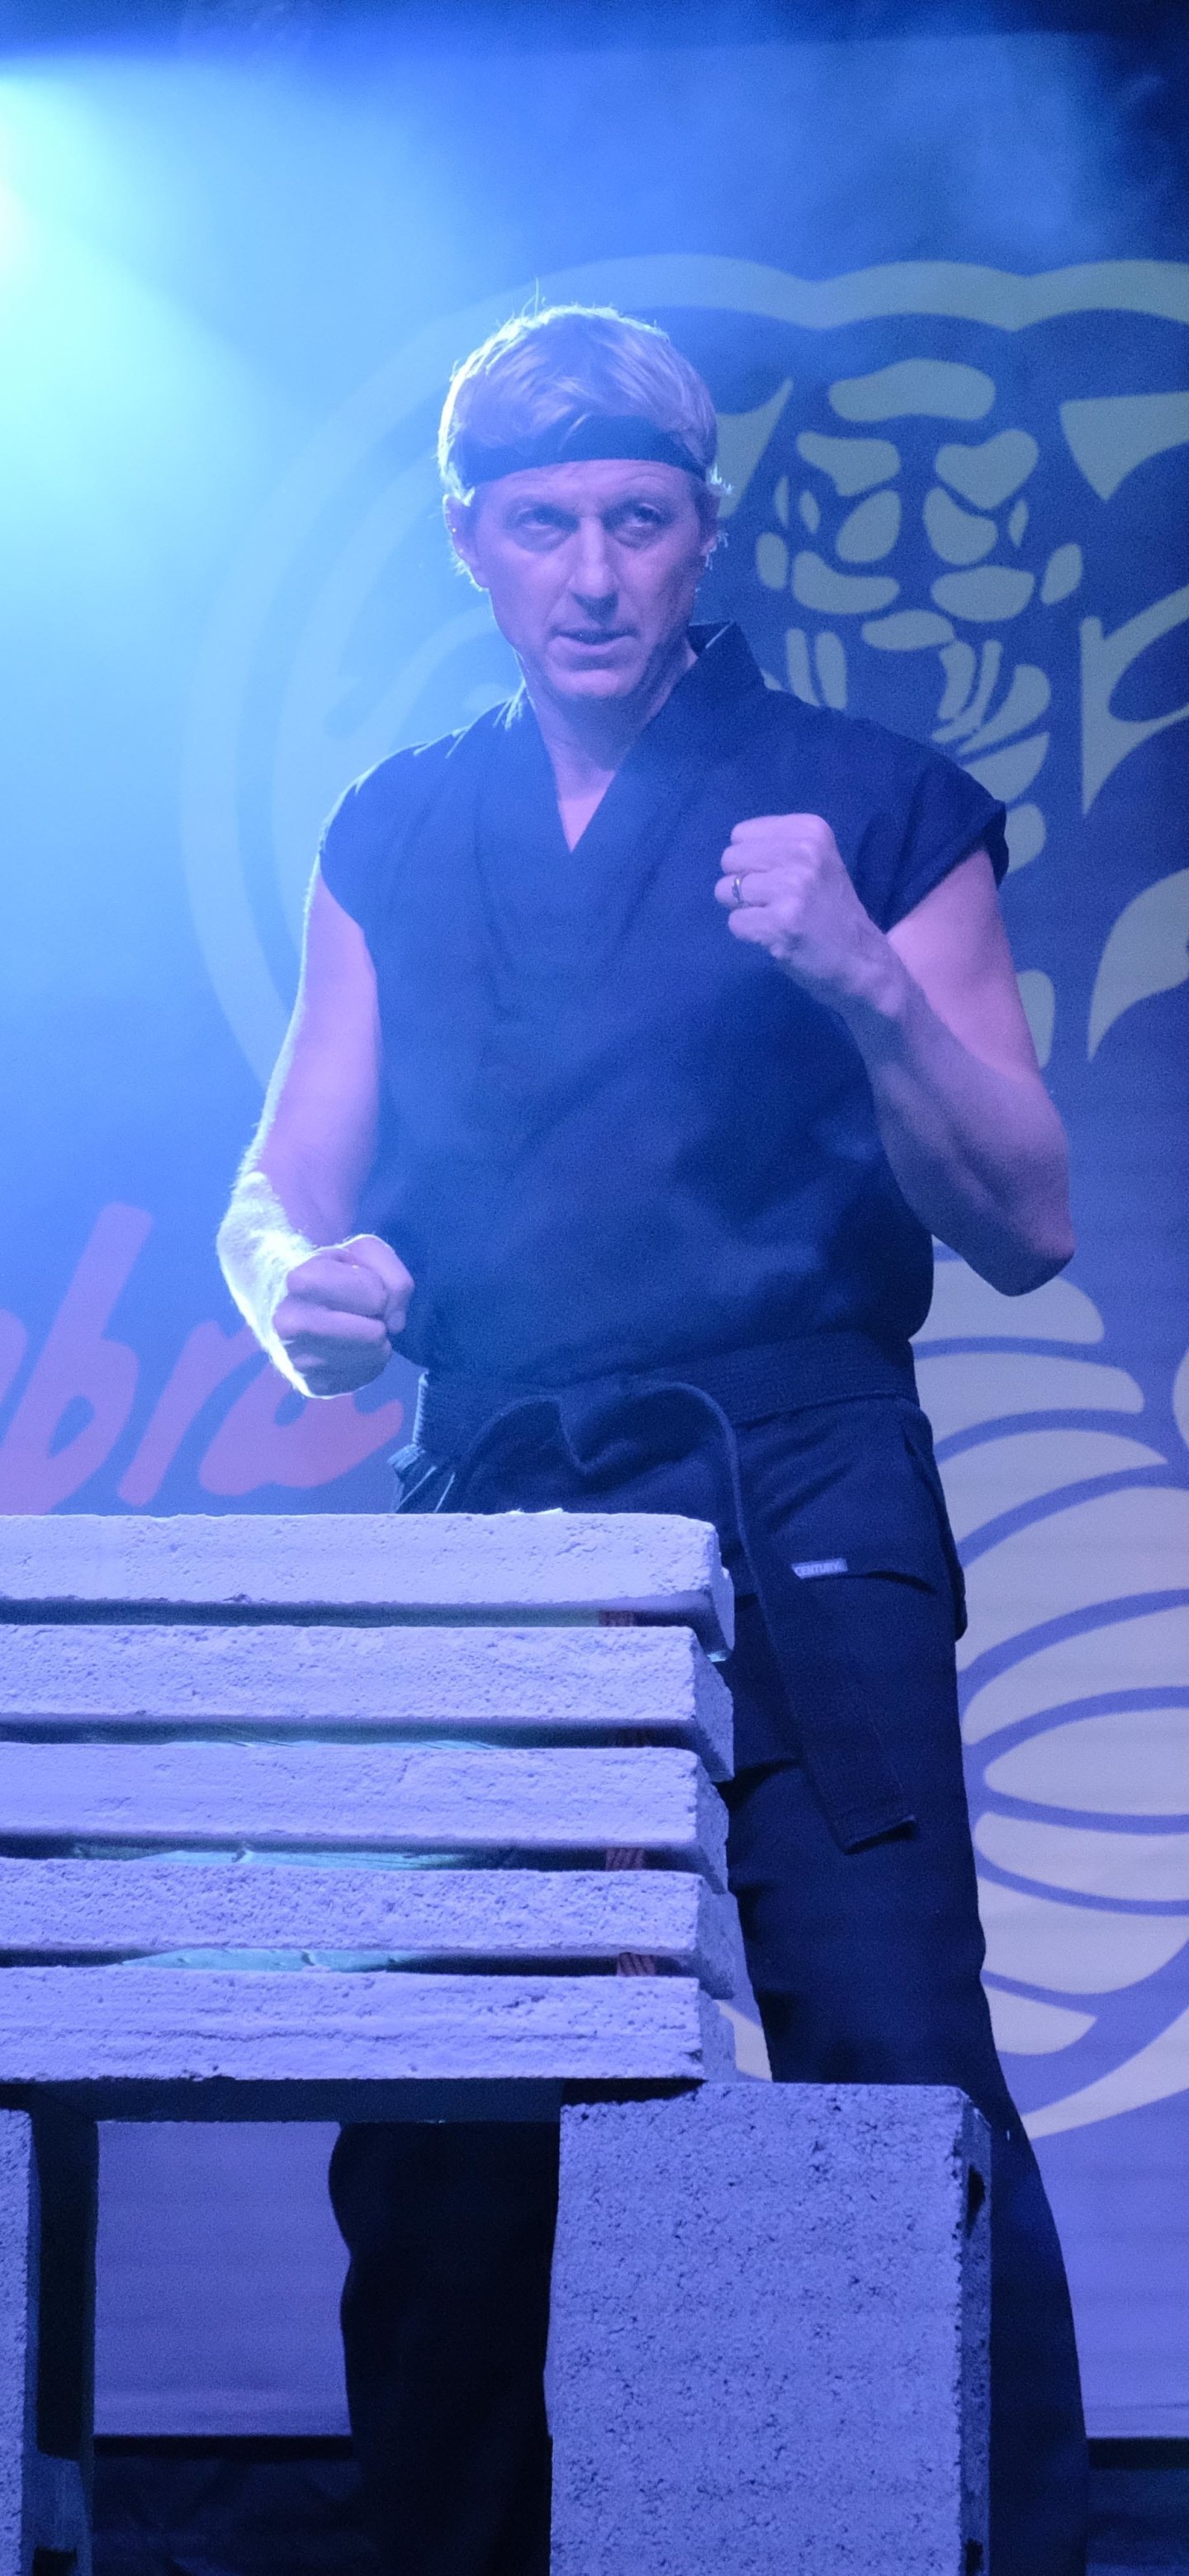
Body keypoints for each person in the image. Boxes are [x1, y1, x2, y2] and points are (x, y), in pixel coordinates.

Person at [217, 304, 1087, 2576]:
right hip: (497, 1509)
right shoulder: (399, 826)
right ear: (469, 550)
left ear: (704, 534)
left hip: (800, 1482)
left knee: (898, 2070)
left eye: (635, 519)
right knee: (443, 2127)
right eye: (543, 527)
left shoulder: (872, 802)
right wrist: (301, 1298)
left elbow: (1024, 1216)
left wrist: (868, 977)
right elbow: (279, 1189)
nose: (592, 571)